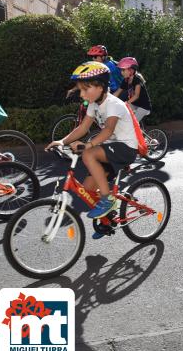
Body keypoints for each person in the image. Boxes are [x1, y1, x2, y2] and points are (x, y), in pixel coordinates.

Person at [46, 61, 139, 231]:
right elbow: (82, 128)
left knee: (89, 155)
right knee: (87, 189)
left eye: (85, 89)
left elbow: (109, 130)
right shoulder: (94, 104)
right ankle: (108, 221)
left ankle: (107, 199)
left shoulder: (113, 103)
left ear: (101, 87)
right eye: (80, 90)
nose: (81, 94)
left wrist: (88, 145)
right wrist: (62, 141)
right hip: (111, 149)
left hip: (126, 148)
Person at [114, 57, 152, 122]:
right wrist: (108, 99)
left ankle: (134, 131)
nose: (121, 72)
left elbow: (136, 95)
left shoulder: (137, 79)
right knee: (120, 114)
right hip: (134, 104)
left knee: (132, 123)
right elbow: (117, 92)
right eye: (121, 70)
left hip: (143, 107)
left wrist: (127, 103)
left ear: (131, 70)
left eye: (123, 70)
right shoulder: (126, 80)